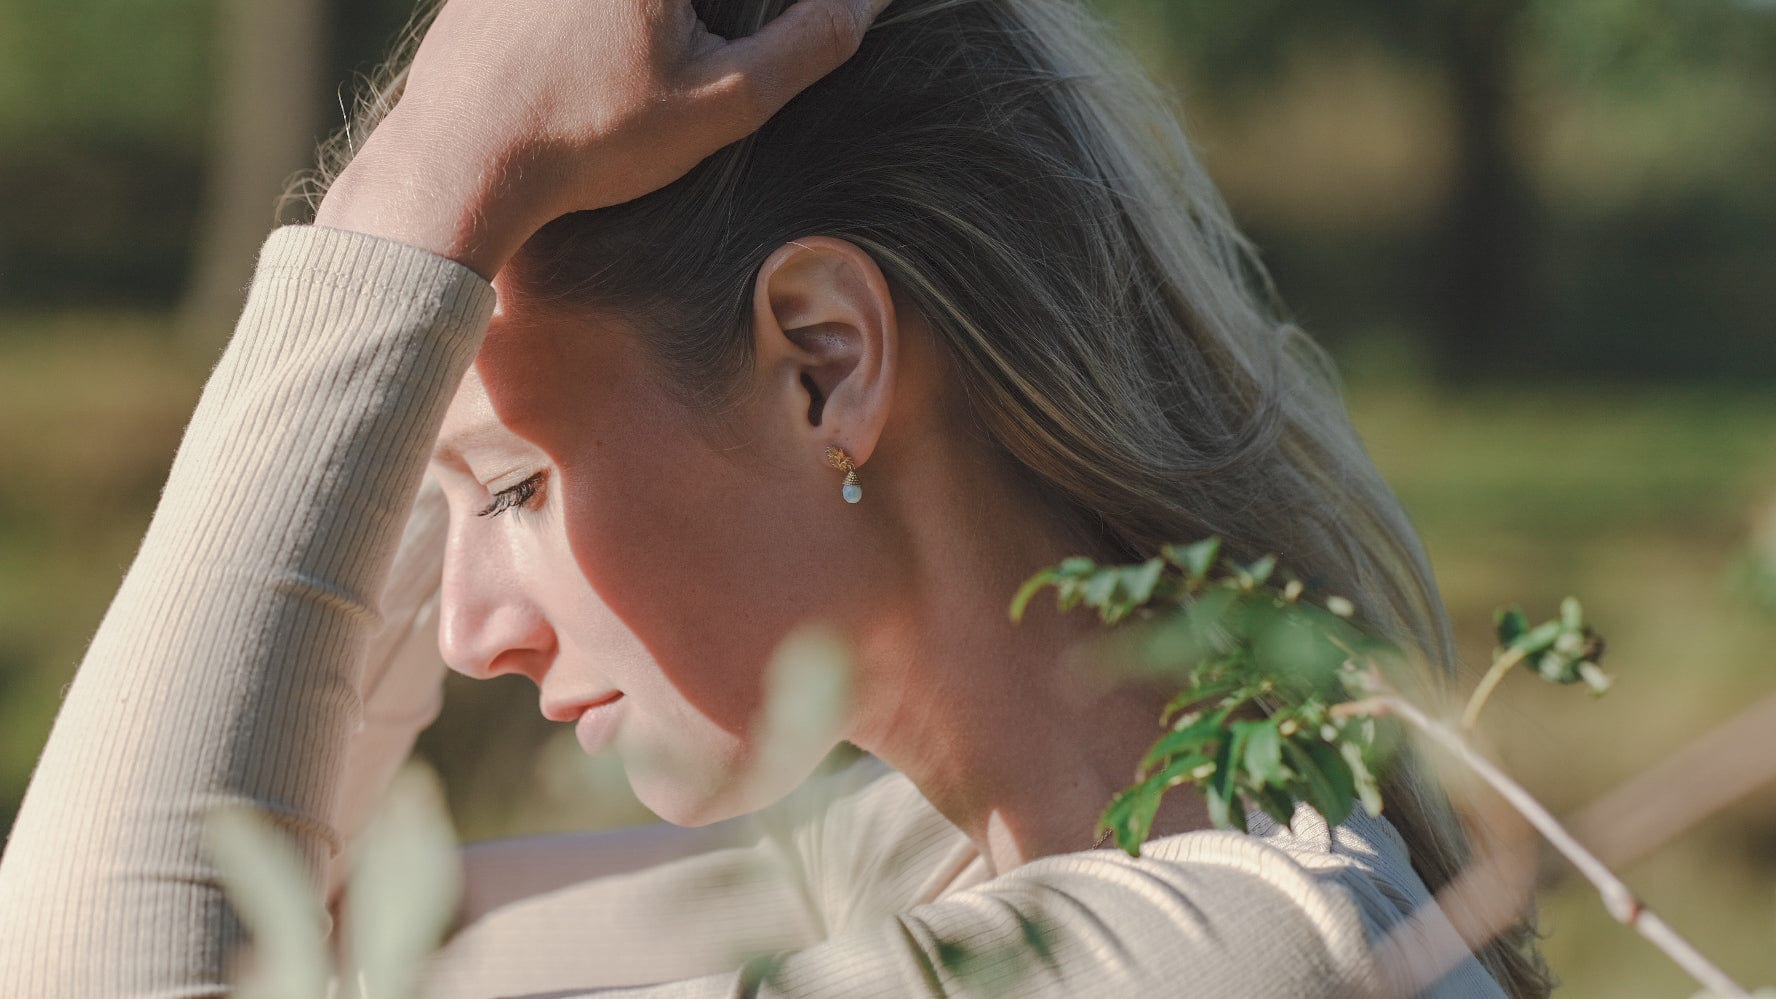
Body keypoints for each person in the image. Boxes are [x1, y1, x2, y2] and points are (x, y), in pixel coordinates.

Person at [0, 0, 1554, 995]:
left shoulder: (1241, 960)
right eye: (454, 505)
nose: (469, 634)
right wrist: (438, 249)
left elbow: (107, 971)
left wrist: (415, 205)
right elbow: (278, 942)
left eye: (523, 488)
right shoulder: (924, 864)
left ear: (824, 362)